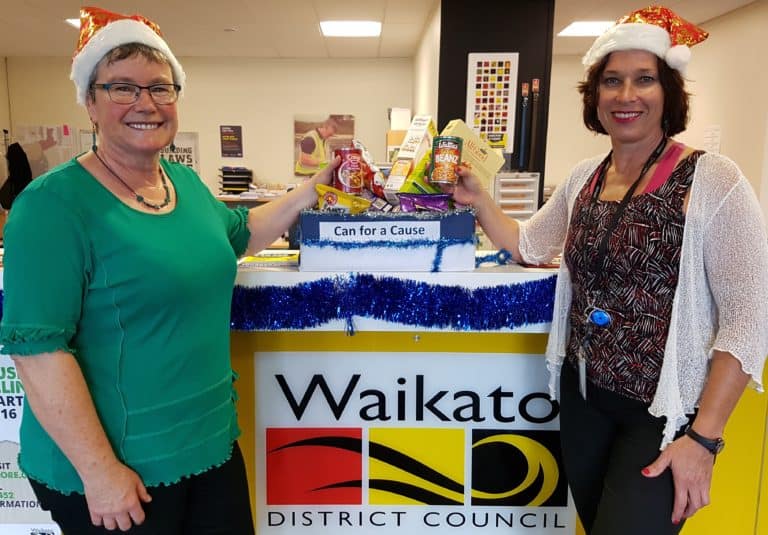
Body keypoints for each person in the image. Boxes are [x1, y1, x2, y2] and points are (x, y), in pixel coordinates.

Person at [0, 6, 336, 534]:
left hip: (209, 444)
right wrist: (100, 471)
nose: (146, 104)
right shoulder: (51, 206)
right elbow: (38, 351)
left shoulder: (185, 184)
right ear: (90, 101)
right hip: (120, 472)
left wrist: (315, 186)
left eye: (161, 88)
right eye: (122, 88)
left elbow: (238, 234)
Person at [448, 5, 768, 534]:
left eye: (644, 80)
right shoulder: (584, 178)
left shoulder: (713, 180)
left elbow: (749, 319)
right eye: (612, 81)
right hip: (584, 401)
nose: (626, 96)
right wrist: (480, 200)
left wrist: (705, 439)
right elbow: (530, 243)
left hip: (662, 415)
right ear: (595, 97)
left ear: (669, 91)